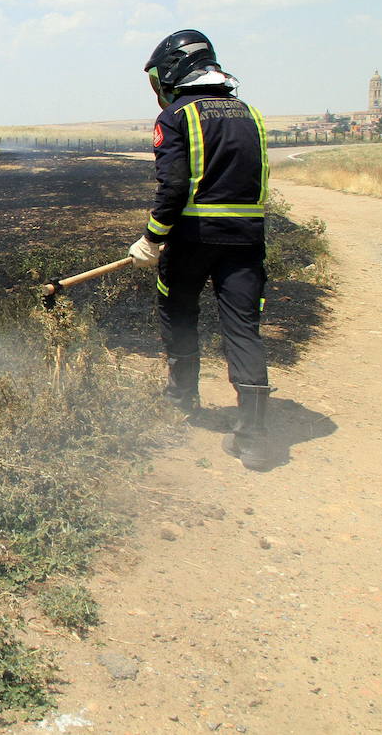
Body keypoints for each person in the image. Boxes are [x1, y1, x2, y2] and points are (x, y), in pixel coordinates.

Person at [128, 29, 272, 470]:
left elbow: (173, 187)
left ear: (172, 70)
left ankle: (181, 400)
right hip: (246, 240)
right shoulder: (250, 114)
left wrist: (152, 238)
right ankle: (254, 439)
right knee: (243, 328)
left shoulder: (177, 115)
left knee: (179, 311)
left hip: (191, 239)